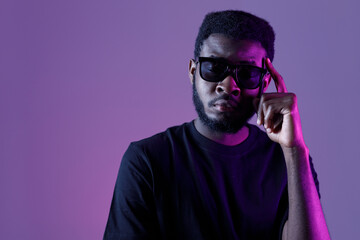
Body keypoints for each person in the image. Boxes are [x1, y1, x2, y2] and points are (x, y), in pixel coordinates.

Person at [104, 10, 330, 240]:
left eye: (247, 73)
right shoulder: (147, 160)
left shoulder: (288, 161)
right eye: (214, 67)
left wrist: (294, 151)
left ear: (264, 82)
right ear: (193, 72)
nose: (228, 85)